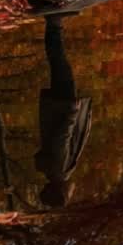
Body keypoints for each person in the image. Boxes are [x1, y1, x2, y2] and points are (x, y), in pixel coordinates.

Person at [35, 13, 92, 208]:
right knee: (58, 63)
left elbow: (62, 139)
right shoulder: (52, 171)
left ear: (61, 190)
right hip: (57, 107)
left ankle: (54, 23)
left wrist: (72, 113)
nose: (72, 191)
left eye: (69, 194)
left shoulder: (59, 170)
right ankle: (55, 24)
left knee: (59, 62)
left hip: (64, 106)